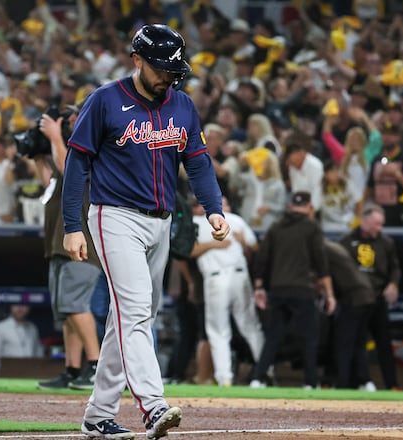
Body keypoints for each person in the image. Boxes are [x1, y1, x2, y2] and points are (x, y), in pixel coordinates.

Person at [62, 24, 229, 439]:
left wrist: (213, 208)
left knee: (133, 319)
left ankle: (98, 415)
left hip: (163, 221)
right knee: (135, 313)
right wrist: (71, 226)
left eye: (173, 69)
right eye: (161, 68)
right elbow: (77, 163)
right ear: (136, 59)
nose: (168, 76)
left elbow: (198, 163)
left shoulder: (183, 105)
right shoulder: (105, 101)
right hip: (114, 216)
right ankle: (154, 406)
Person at [34, 109, 104, 391]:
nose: (71, 123)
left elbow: (68, 168)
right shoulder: (66, 150)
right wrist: (38, 152)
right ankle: (73, 370)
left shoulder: (93, 147)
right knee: (66, 311)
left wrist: (54, 137)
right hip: (59, 244)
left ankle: (97, 366)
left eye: (75, 118)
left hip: (83, 243)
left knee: (75, 305)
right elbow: (50, 183)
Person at [250, 191, 336, 389]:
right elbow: (321, 262)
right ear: (308, 206)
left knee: (273, 336)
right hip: (302, 289)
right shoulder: (311, 226)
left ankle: (258, 378)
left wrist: (259, 287)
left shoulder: (276, 226)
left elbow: (262, 259)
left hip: (278, 289)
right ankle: (310, 381)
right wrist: (329, 294)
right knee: (309, 336)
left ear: (290, 206)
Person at [191, 197, 264, 387]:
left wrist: (242, 244)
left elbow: (187, 250)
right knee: (249, 325)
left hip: (219, 280)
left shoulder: (199, 222)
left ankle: (225, 378)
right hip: (239, 277)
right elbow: (254, 246)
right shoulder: (234, 219)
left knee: (219, 331)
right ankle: (265, 372)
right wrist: (224, 243)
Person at [338, 204, 401, 390]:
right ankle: (356, 382)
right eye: (376, 224)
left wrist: (393, 284)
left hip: (378, 298)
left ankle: (392, 385)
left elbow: (395, 268)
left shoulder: (386, 243)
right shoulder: (346, 241)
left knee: (384, 343)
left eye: (381, 225)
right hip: (355, 300)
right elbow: (339, 270)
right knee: (354, 342)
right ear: (364, 221)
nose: (379, 228)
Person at [322, 240, 376, 390]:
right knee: (358, 343)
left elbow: (323, 275)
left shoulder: (322, 248)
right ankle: (364, 381)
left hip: (354, 298)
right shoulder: (335, 247)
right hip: (367, 296)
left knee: (343, 343)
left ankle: (342, 383)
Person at [0, 305, 44, 379]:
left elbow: (38, 354)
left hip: (29, 376)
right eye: (16, 304)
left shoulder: (32, 328)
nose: (20, 308)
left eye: (24, 305)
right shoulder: (1, 327)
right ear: (11, 306)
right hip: (7, 375)